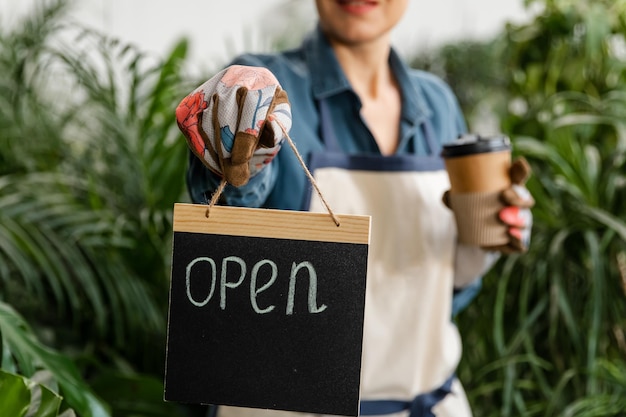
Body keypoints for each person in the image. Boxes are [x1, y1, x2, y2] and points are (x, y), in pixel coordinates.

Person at [175, 1, 534, 416]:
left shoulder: (437, 104)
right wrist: (235, 137)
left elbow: (437, 300)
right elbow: (229, 206)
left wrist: (480, 248)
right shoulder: (269, 90)